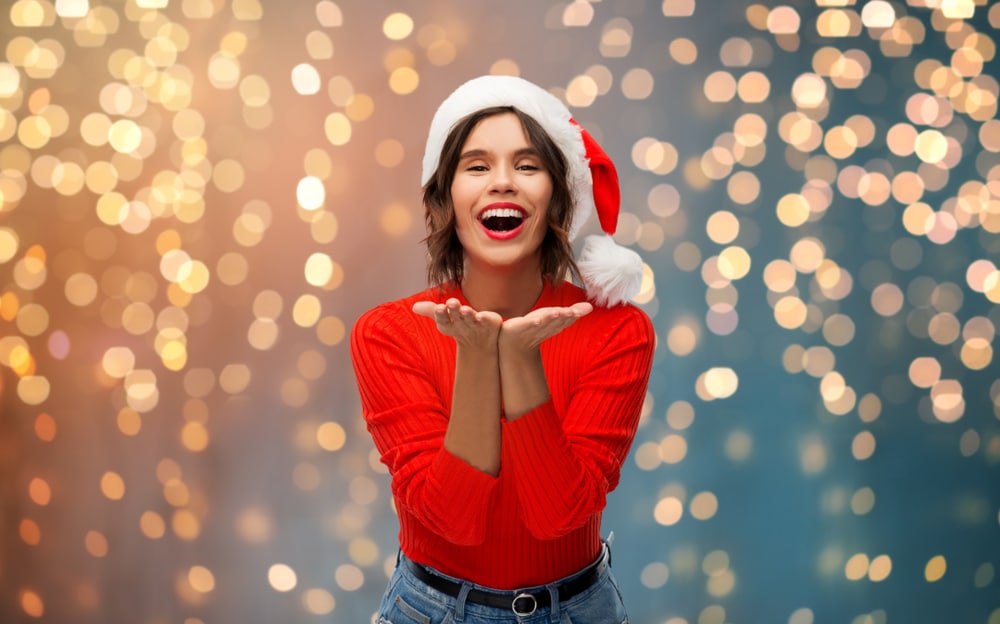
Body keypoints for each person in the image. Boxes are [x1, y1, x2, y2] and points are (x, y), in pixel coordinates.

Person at [350, 74, 655, 623]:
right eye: (477, 166)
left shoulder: (617, 331)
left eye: (528, 165)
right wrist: (476, 356)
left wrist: (517, 358)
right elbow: (452, 519)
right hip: (430, 609)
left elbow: (558, 514)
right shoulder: (387, 333)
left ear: (559, 195)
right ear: (443, 196)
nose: (503, 183)